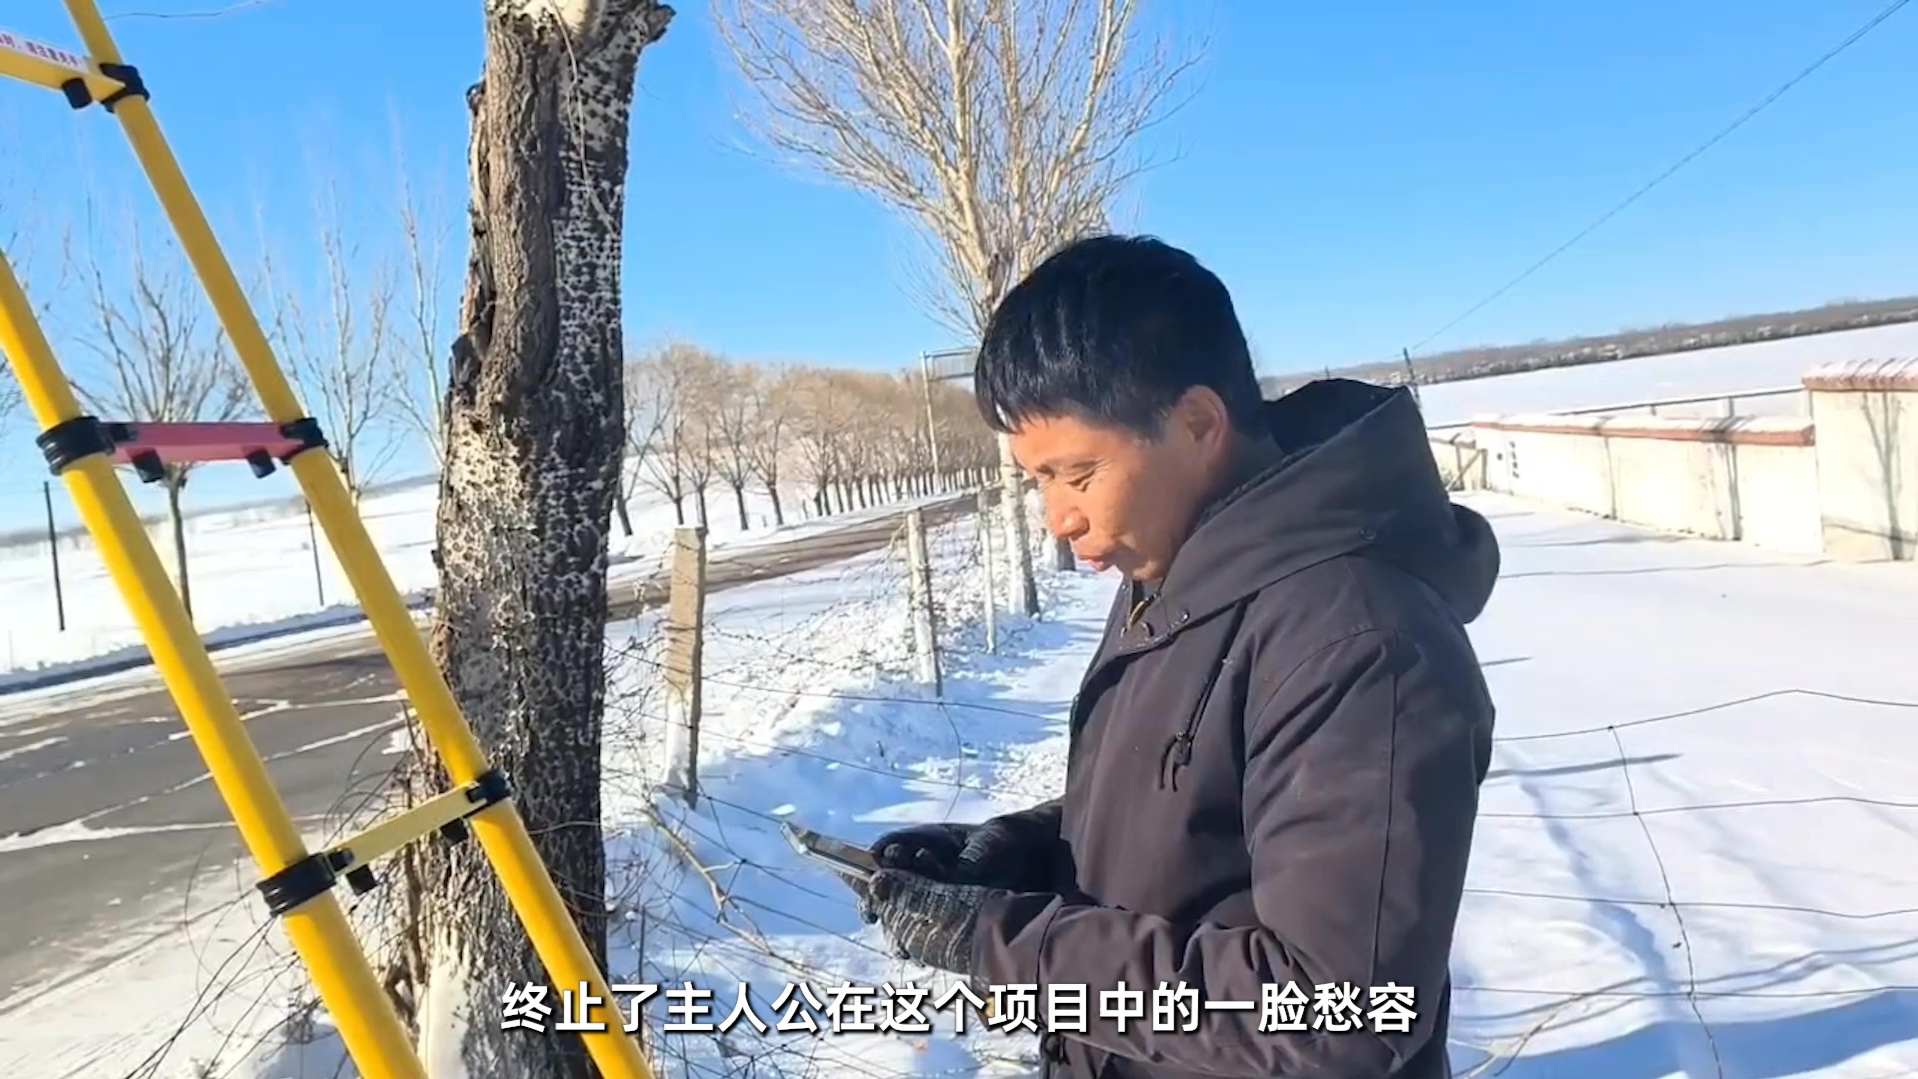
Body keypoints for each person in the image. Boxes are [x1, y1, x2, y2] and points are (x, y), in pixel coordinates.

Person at [854, 234, 1500, 1079]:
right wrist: (1021, 855)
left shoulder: (1363, 643)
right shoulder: (1176, 567)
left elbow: (1332, 1015)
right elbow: (1198, 804)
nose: (1058, 517)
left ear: (1197, 424)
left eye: (1078, 473)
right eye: (1037, 480)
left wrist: (1006, 945)